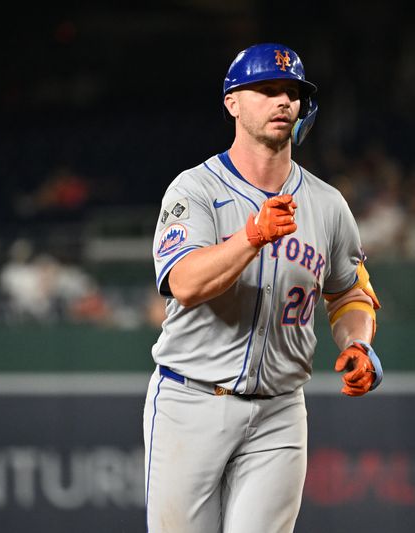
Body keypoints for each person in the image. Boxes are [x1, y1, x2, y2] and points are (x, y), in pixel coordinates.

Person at [143, 42, 384, 533]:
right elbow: (184, 283)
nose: (282, 101)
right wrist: (251, 236)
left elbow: (349, 291)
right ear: (232, 102)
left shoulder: (328, 204)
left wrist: (357, 341)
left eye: (291, 92)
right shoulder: (194, 191)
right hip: (192, 401)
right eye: (266, 89)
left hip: (279, 409)